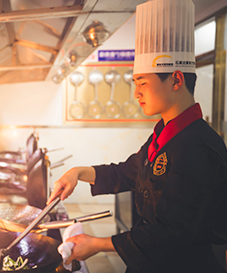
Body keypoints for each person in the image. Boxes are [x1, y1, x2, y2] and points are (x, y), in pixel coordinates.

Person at [47, 0, 227, 272]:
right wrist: (77, 172)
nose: (136, 93)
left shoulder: (198, 147)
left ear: (176, 80)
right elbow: (128, 173)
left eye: (143, 82)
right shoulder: (163, 133)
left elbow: (170, 234)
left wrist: (96, 243)